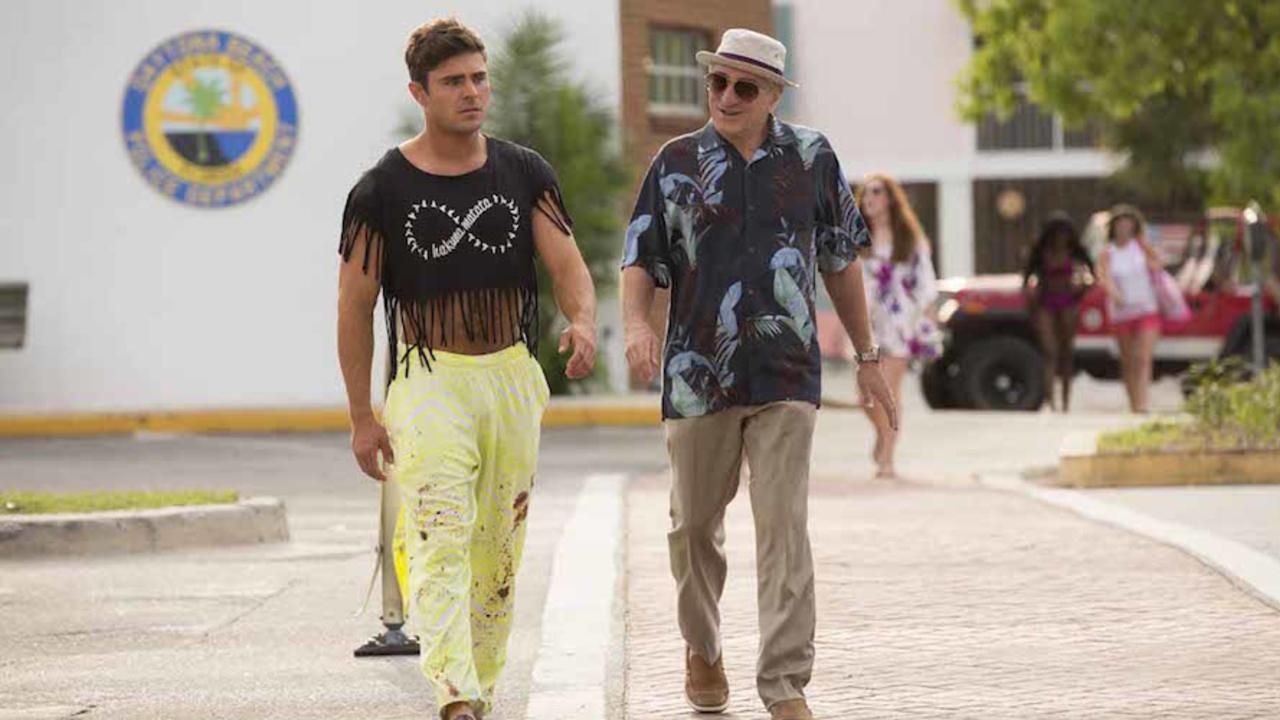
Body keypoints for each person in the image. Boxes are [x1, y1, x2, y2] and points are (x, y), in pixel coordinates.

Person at [620, 28, 896, 720]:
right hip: (696, 373)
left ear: (773, 94)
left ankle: (785, 685)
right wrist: (637, 325)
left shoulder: (811, 157)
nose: (727, 96)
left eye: (745, 86)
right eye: (717, 82)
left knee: (783, 529)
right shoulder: (675, 162)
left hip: (786, 372)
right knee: (692, 529)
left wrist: (867, 358)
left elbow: (840, 260)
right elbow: (640, 255)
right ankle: (703, 646)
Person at [335, 18, 596, 720]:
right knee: (440, 533)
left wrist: (582, 320)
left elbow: (568, 266)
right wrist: (362, 417)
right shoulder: (379, 190)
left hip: (510, 377)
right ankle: (453, 692)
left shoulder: (524, 172)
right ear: (419, 93)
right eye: (453, 81)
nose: (472, 91)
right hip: (429, 382)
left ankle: (481, 685)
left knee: (498, 547)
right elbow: (355, 307)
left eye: (479, 77)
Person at [855, 174, 942, 477]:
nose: (869, 198)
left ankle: (888, 459)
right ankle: (883, 435)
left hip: (901, 323)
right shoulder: (857, 239)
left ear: (891, 198)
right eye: (866, 193)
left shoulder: (910, 240)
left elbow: (925, 280)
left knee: (889, 392)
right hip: (866, 325)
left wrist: (928, 317)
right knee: (865, 397)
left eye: (877, 192)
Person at [1021, 212, 1095, 412]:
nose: (1061, 237)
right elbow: (1027, 277)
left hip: (1068, 301)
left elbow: (1091, 275)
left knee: (1066, 352)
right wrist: (1031, 293)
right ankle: (1050, 399)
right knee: (1050, 350)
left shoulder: (1075, 252)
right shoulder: (1041, 252)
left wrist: (1082, 287)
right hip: (1046, 301)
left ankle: (1065, 400)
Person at [1096, 204, 1159, 413]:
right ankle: (1133, 402)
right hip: (1122, 312)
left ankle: (1143, 403)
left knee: (1143, 357)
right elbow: (1104, 277)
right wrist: (1115, 294)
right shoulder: (1108, 252)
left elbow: (1158, 264)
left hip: (1146, 308)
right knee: (1128, 360)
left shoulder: (1141, 246)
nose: (1124, 228)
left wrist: (1151, 261)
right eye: (1120, 224)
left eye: (1128, 224)